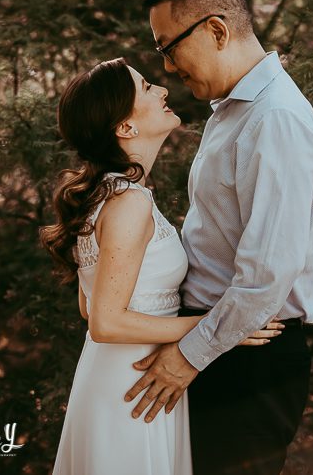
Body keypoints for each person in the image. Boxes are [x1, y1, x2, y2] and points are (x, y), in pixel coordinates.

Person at [124, 0, 313, 475]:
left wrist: (188, 355)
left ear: (216, 29)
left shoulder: (275, 118)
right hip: (216, 341)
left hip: (247, 361)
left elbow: (266, 276)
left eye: (168, 47)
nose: (167, 67)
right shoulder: (234, 110)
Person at [40, 58, 283, 475]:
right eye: (148, 87)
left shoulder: (108, 195)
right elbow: (104, 323)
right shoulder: (128, 202)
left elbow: (89, 306)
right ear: (125, 128)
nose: (163, 90)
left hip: (126, 376)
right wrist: (221, 326)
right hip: (132, 386)